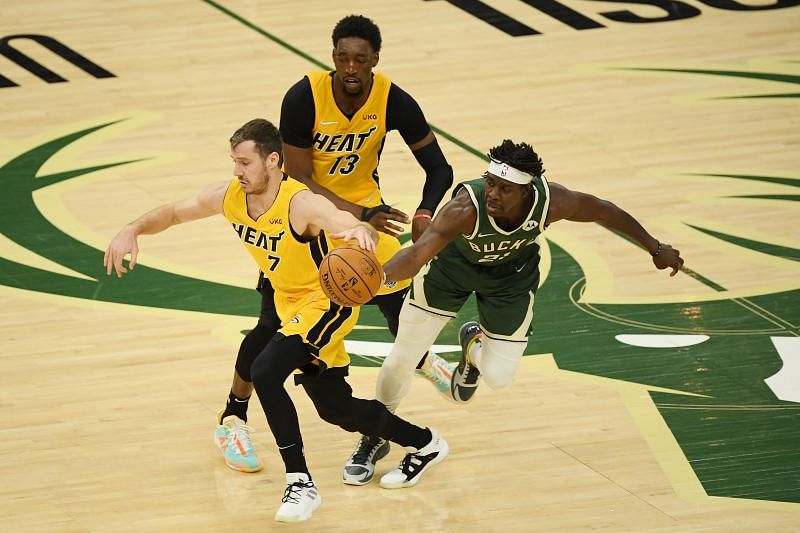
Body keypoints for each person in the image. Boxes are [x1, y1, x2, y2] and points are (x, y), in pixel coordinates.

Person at [104, 119, 448, 523]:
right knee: (335, 408)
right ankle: (426, 443)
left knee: (265, 371)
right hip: (289, 303)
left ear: (272, 160)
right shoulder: (231, 196)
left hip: (326, 301)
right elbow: (176, 212)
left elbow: (336, 218)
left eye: (245, 162)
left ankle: (300, 482)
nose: (237, 171)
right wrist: (133, 228)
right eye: (234, 162)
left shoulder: (298, 202)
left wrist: (358, 231)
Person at [343, 139, 684, 480]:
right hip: (451, 271)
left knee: (499, 378)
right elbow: (417, 255)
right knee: (400, 359)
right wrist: (380, 277)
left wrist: (655, 247)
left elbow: (603, 211)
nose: (493, 193)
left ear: (527, 190)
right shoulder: (465, 208)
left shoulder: (554, 202)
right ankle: (375, 435)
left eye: (505, 189)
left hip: (510, 280)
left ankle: (473, 350)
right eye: (490, 183)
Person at [211, 13, 454, 485]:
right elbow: (300, 179)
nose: (350, 66)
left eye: (360, 59)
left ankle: (418, 374)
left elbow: (439, 170)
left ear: (374, 61)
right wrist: (361, 215)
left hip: (362, 223)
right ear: (333, 58)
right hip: (305, 216)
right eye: (342, 56)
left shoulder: (392, 99)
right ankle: (233, 418)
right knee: (268, 324)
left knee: (393, 300)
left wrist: (424, 214)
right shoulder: (304, 98)